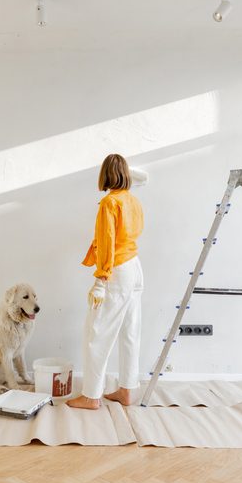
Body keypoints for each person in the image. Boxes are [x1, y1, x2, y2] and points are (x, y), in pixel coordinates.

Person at [66, 154, 146, 410]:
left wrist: (101, 279)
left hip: (118, 271)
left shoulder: (109, 203)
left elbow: (107, 243)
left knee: (97, 333)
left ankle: (91, 396)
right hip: (135, 266)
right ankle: (126, 390)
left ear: (105, 175)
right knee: (129, 333)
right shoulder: (133, 201)